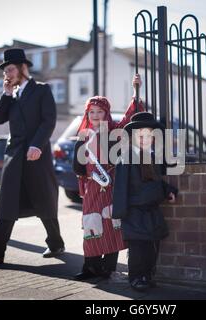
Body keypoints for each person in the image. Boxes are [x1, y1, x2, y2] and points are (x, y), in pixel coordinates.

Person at [0, 48, 64, 264]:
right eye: (6, 70)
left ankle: (56, 243)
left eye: (11, 69)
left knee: (44, 201)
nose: (8, 74)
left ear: (23, 68)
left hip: (36, 155)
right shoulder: (10, 95)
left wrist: (37, 146)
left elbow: (48, 121)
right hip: (14, 156)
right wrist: (5, 94)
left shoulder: (41, 90)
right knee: (7, 202)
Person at [72, 74, 145, 280]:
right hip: (91, 187)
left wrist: (135, 91)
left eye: (100, 111)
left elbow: (130, 117)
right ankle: (90, 267)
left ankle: (107, 267)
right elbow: (78, 164)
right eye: (91, 111)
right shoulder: (83, 135)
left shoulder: (114, 131)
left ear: (106, 113)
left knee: (111, 225)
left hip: (111, 187)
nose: (95, 115)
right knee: (91, 224)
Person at [112, 111, 178, 292]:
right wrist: (119, 213)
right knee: (138, 249)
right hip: (133, 211)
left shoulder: (153, 157)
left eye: (148, 135)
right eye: (140, 135)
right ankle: (135, 277)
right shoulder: (125, 157)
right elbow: (120, 187)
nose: (144, 138)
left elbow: (157, 182)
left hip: (151, 211)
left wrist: (168, 191)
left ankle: (147, 275)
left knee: (151, 246)